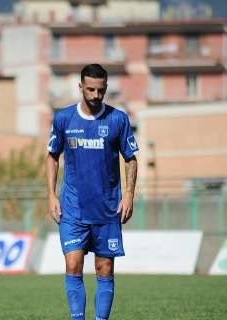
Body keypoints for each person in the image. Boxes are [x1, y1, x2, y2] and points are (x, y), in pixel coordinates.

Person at [45, 63, 139, 320]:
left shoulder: (118, 119)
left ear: (106, 88)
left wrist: (129, 194)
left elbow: (131, 158)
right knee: (73, 264)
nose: (96, 96)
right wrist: (52, 195)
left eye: (100, 90)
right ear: (80, 87)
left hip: (108, 208)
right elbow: (52, 156)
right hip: (73, 208)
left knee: (104, 268)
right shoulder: (64, 118)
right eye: (90, 90)